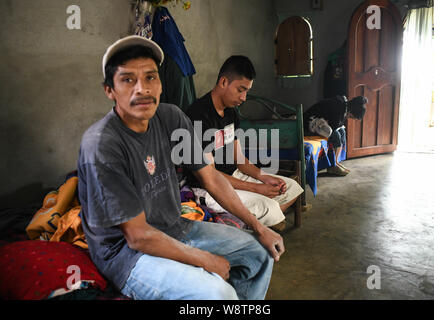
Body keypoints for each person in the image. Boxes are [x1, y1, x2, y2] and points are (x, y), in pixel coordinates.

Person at [77, 36, 285, 300]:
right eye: (128, 79)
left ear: (160, 83)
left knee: (260, 254)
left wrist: (258, 227)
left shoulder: (171, 117)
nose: (142, 89)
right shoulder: (102, 145)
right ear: (110, 90)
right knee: (218, 293)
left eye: (151, 77)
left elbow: (210, 176)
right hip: (128, 255)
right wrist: (206, 260)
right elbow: (138, 236)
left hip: (175, 227)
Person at [186, 56, 303, 232]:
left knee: (292, 187)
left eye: (247, 91)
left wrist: (264, 177)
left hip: (233, 176)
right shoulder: (199, 116)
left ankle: (258, 222)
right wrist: (257, 188)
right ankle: (261, 222)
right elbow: (210, 176)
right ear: (224, 82)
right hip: (209, 188)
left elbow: (240, 159)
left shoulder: (231, 113)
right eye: (241, 90)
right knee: (268, 205)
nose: (244, 97)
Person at [303, 95, 368, 176]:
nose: (348, 118)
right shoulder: (338, 106)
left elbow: (336, 124)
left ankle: (336, 162)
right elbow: (333, 126)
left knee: (342, 132)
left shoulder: (344, 106)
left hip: (320, 122)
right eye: (351, 116)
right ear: (351, 111)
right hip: (309, 123)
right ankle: (332, 166)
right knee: (336, 135)